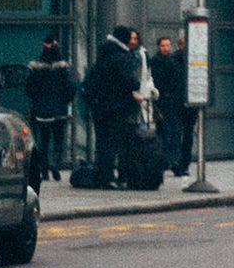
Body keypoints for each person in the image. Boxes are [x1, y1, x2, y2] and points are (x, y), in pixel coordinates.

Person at [82, 24, 145, 188]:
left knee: (102, 142)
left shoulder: (103, 54)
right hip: (117, 108)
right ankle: (113, 177)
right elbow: (130, 82)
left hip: (99, 107)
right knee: (116, 143)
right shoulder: (121, 57)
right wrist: (135, 86)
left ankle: (103, 175)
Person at [24, 35, 75, 181]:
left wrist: (36, 100)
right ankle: (56, 163)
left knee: (44, 140)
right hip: (59, 109)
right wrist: (66, 100)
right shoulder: (63, 68)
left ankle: (44, 168)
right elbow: (71, 87)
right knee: (59, 139)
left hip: (41, 109)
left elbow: (29, 88)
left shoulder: (36, 68)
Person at [150, 33, 190, 176]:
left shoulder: (171, 62)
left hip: (173, 103)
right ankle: (167, 162)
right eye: (163, 45)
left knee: (174, 133)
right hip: (163, 102)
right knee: (165, 134)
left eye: (167, 45)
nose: (166, 48)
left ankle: (173, 162)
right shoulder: (155, 62)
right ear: (158, 47)